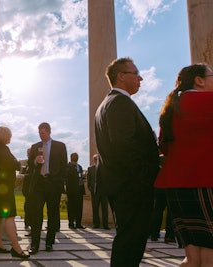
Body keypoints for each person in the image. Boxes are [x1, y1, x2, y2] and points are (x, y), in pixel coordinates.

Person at [94, 57, 160, 266]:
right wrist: (145, 177)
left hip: (122, 183)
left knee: (128, 242)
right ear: (121, 76)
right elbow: (124, 146)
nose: (140, 78)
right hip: (131, 186)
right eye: (136, 73)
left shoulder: (106, 104)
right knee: (130, 245)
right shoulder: (120, 103)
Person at [155, 63, 213, 266]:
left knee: (192, 258)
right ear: (199, 80)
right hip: (205, 182)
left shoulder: (170, 108)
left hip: (177, 187)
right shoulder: (208, 100)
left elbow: (164, 147)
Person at [0, 126, 30, 259]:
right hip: (3, 189)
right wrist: (18, 163)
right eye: (9, 135)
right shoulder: (2, 148)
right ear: (5, 136)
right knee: (9, 216)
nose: (10, 137)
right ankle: (16, 248)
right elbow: (12, 164)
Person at [27, 122, 67, 254]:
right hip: (39, 184)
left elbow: (63, 166)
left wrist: (59, 181)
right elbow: (30, 166)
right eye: (39, 133)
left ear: (49, 132)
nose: (40, 136)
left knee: (52, 214)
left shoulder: (60, 146)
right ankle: (35, 244)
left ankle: (49, 243)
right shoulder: (35, 147)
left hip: (53, 183)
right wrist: (34, 161)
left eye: (42, 133)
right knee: (36, 214)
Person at [86, 154, 109, 229]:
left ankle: (105, 224)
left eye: (98, 159)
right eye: (95, 159)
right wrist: (90, 188)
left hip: (104, 192)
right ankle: (96, 224)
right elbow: (88, 180)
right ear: (93, 160)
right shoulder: (90, 169)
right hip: (95, 191)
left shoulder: (104, 168)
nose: (96, 160)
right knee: (95, 208)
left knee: (105, 208)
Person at [65, 152, 86, 230]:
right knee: (71, 207)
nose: (76, 157)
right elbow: (67, 177)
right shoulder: (68, 166)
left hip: (80, 190)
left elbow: (80, 176)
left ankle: (78, 223)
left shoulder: (79, 167)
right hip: (71, 190)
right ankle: (71, 223)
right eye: (74, 156)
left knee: (79, 207)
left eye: (76, 156)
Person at [21, 148, 31, 232]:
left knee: (30, 207)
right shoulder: (28, 164)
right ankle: (27, 223)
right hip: (27, 190)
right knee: (27, 207)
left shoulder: (34, 163)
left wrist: (24, 176)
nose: (27, 155)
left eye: (29, 153)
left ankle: (30, 223)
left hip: (32, 190)